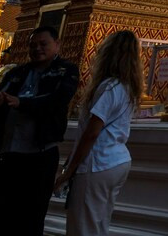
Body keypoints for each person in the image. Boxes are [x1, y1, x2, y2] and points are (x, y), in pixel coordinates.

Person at [0, 26, 79, 236]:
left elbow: (58, 100)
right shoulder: (17, 72)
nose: (37, 49)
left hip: (39, 154)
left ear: (57, 45)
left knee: (31, 218)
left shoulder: (66, 71)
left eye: (43, 44)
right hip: (6, 152)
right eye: (33, 45)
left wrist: (22, 103)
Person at [56, 30, 142, 236]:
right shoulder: (128, 87)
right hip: (116, 162)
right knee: (98, 223)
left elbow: (92, 132)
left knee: (83, 228)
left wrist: (70, 170)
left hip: (98, 163)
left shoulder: (110, 87)